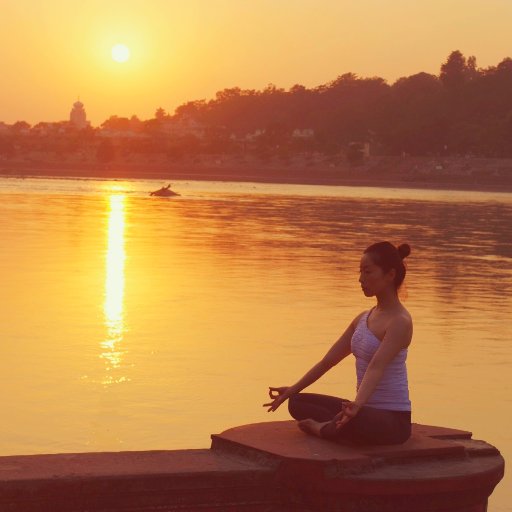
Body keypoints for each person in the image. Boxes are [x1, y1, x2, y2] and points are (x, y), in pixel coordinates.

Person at [263, 241, 413, 446]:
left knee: (354, 419)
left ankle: (323, 428)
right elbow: (327, 362)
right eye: (360, 272)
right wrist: (292, 389)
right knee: (297, 402)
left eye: (367, 272)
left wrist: (357, 404)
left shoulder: (400, 322)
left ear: (390, 275)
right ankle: (337, 424)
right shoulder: (362, 318)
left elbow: (376, 367)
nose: (361, 279)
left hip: (392, 421)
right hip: (361, 410)